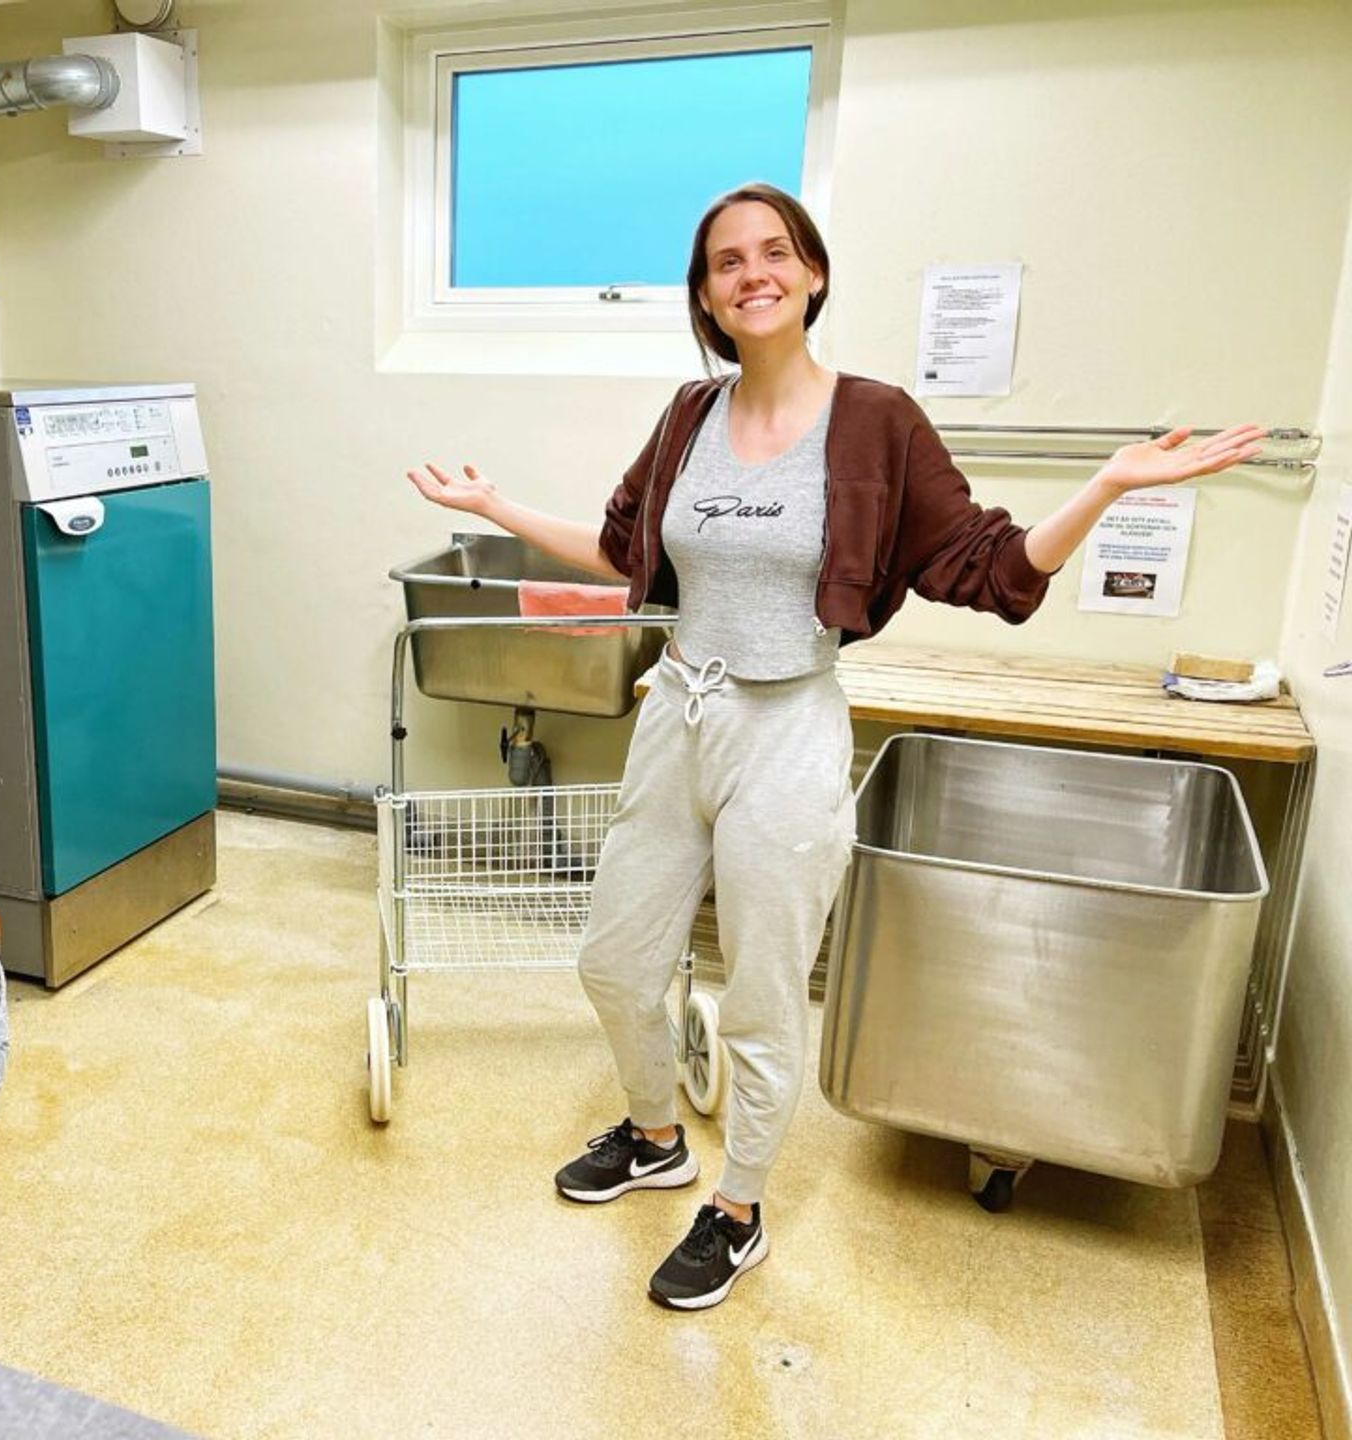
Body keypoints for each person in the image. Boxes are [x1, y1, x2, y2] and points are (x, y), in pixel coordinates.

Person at [404, 182, 1264, 1312]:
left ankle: (739, 1205)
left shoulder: (878, 421)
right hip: (678, 714)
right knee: (613, 960)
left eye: (774, 253)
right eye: (726, 262)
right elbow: (627, 557)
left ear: (811, 274)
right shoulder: (686, 416)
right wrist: (505, 509)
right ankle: (658, 1136)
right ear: (707, 296)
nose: (752, 273)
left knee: (763, 988)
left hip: (788, 725)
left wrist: (1103, 487)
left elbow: (991, 571)